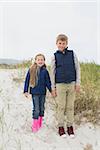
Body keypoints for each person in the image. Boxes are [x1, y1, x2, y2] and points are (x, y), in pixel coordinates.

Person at [50, 34, 80, 137]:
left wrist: (77, 83)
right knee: (61, 106)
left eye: (64, 43)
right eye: (60, 43)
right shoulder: (55, 56)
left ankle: (70, 127)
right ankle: (61, 127)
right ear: (56, 44)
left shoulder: (72, 54)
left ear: (67, 44)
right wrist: (53, 88)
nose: (62, 45)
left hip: (71, 84)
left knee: (70, 107)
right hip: (60, 85)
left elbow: (77, 69)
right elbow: (52, 72)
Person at [24, 54, 52, 132]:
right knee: (36, 109)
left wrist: (51, 90)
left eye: (42, 60)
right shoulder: (31, 70)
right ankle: (35, 125)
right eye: (38, 60)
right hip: (34, 92)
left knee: (42, 108)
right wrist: (26, 91)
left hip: (43, 93)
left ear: (44, 61)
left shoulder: (45, 71)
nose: (40, 61)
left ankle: (40, 123)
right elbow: (27, 81)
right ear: (35, 61)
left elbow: (48, 82)